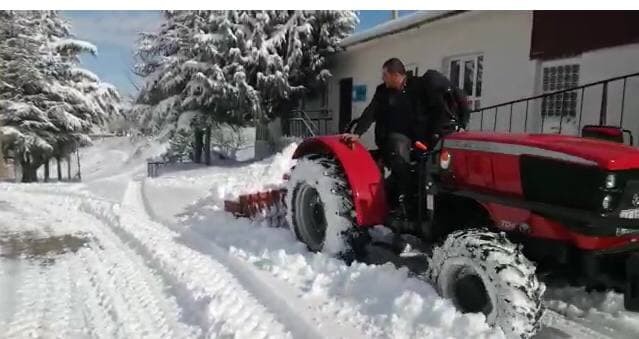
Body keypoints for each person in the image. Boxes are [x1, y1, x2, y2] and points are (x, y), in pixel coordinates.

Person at [341, 58, 470, 217]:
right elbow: (371, 112)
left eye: (385, 75)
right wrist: (357, 133)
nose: (383, 78)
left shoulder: (419, 86)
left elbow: (451, 98)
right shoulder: (383, 92)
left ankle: (427, 205)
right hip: (393, 141)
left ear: (395, 75)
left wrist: (460, 124)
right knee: (399, 146)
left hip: (420, 140)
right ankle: (407, 201)